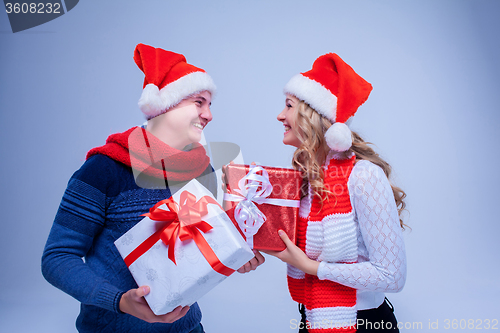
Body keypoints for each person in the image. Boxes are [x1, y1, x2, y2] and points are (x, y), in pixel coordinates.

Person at [41, 43, 264, 333]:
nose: (209, 115)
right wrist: (119, 300)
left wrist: (237, 255)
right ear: (165, 104)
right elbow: (57, 258)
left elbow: (202, 250)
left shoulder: (203, 171)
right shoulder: (103, 169)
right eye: (199, 102)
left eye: (210, 105)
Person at [264, 53, 407, 332]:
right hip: (313, 319)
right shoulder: (307, 177)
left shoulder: (363, 176)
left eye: (289, 106)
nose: (280, 115)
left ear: (313, 115)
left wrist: (313, 268)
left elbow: (392, 276)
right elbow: (293, 248)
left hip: (364, 324)